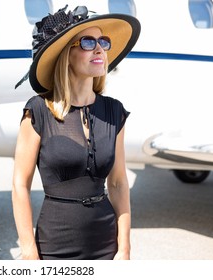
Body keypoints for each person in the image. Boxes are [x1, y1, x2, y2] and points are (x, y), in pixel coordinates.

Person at [12, 6, 141, 260]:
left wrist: (124, 249)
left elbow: (117, 183)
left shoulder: (114, 112)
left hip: (106, 244)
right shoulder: (38, 110)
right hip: (54, 245)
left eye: (103, 42)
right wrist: (29, 251)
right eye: (87, 42)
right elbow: (19, 184)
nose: (100, 49)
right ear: (65, 55)